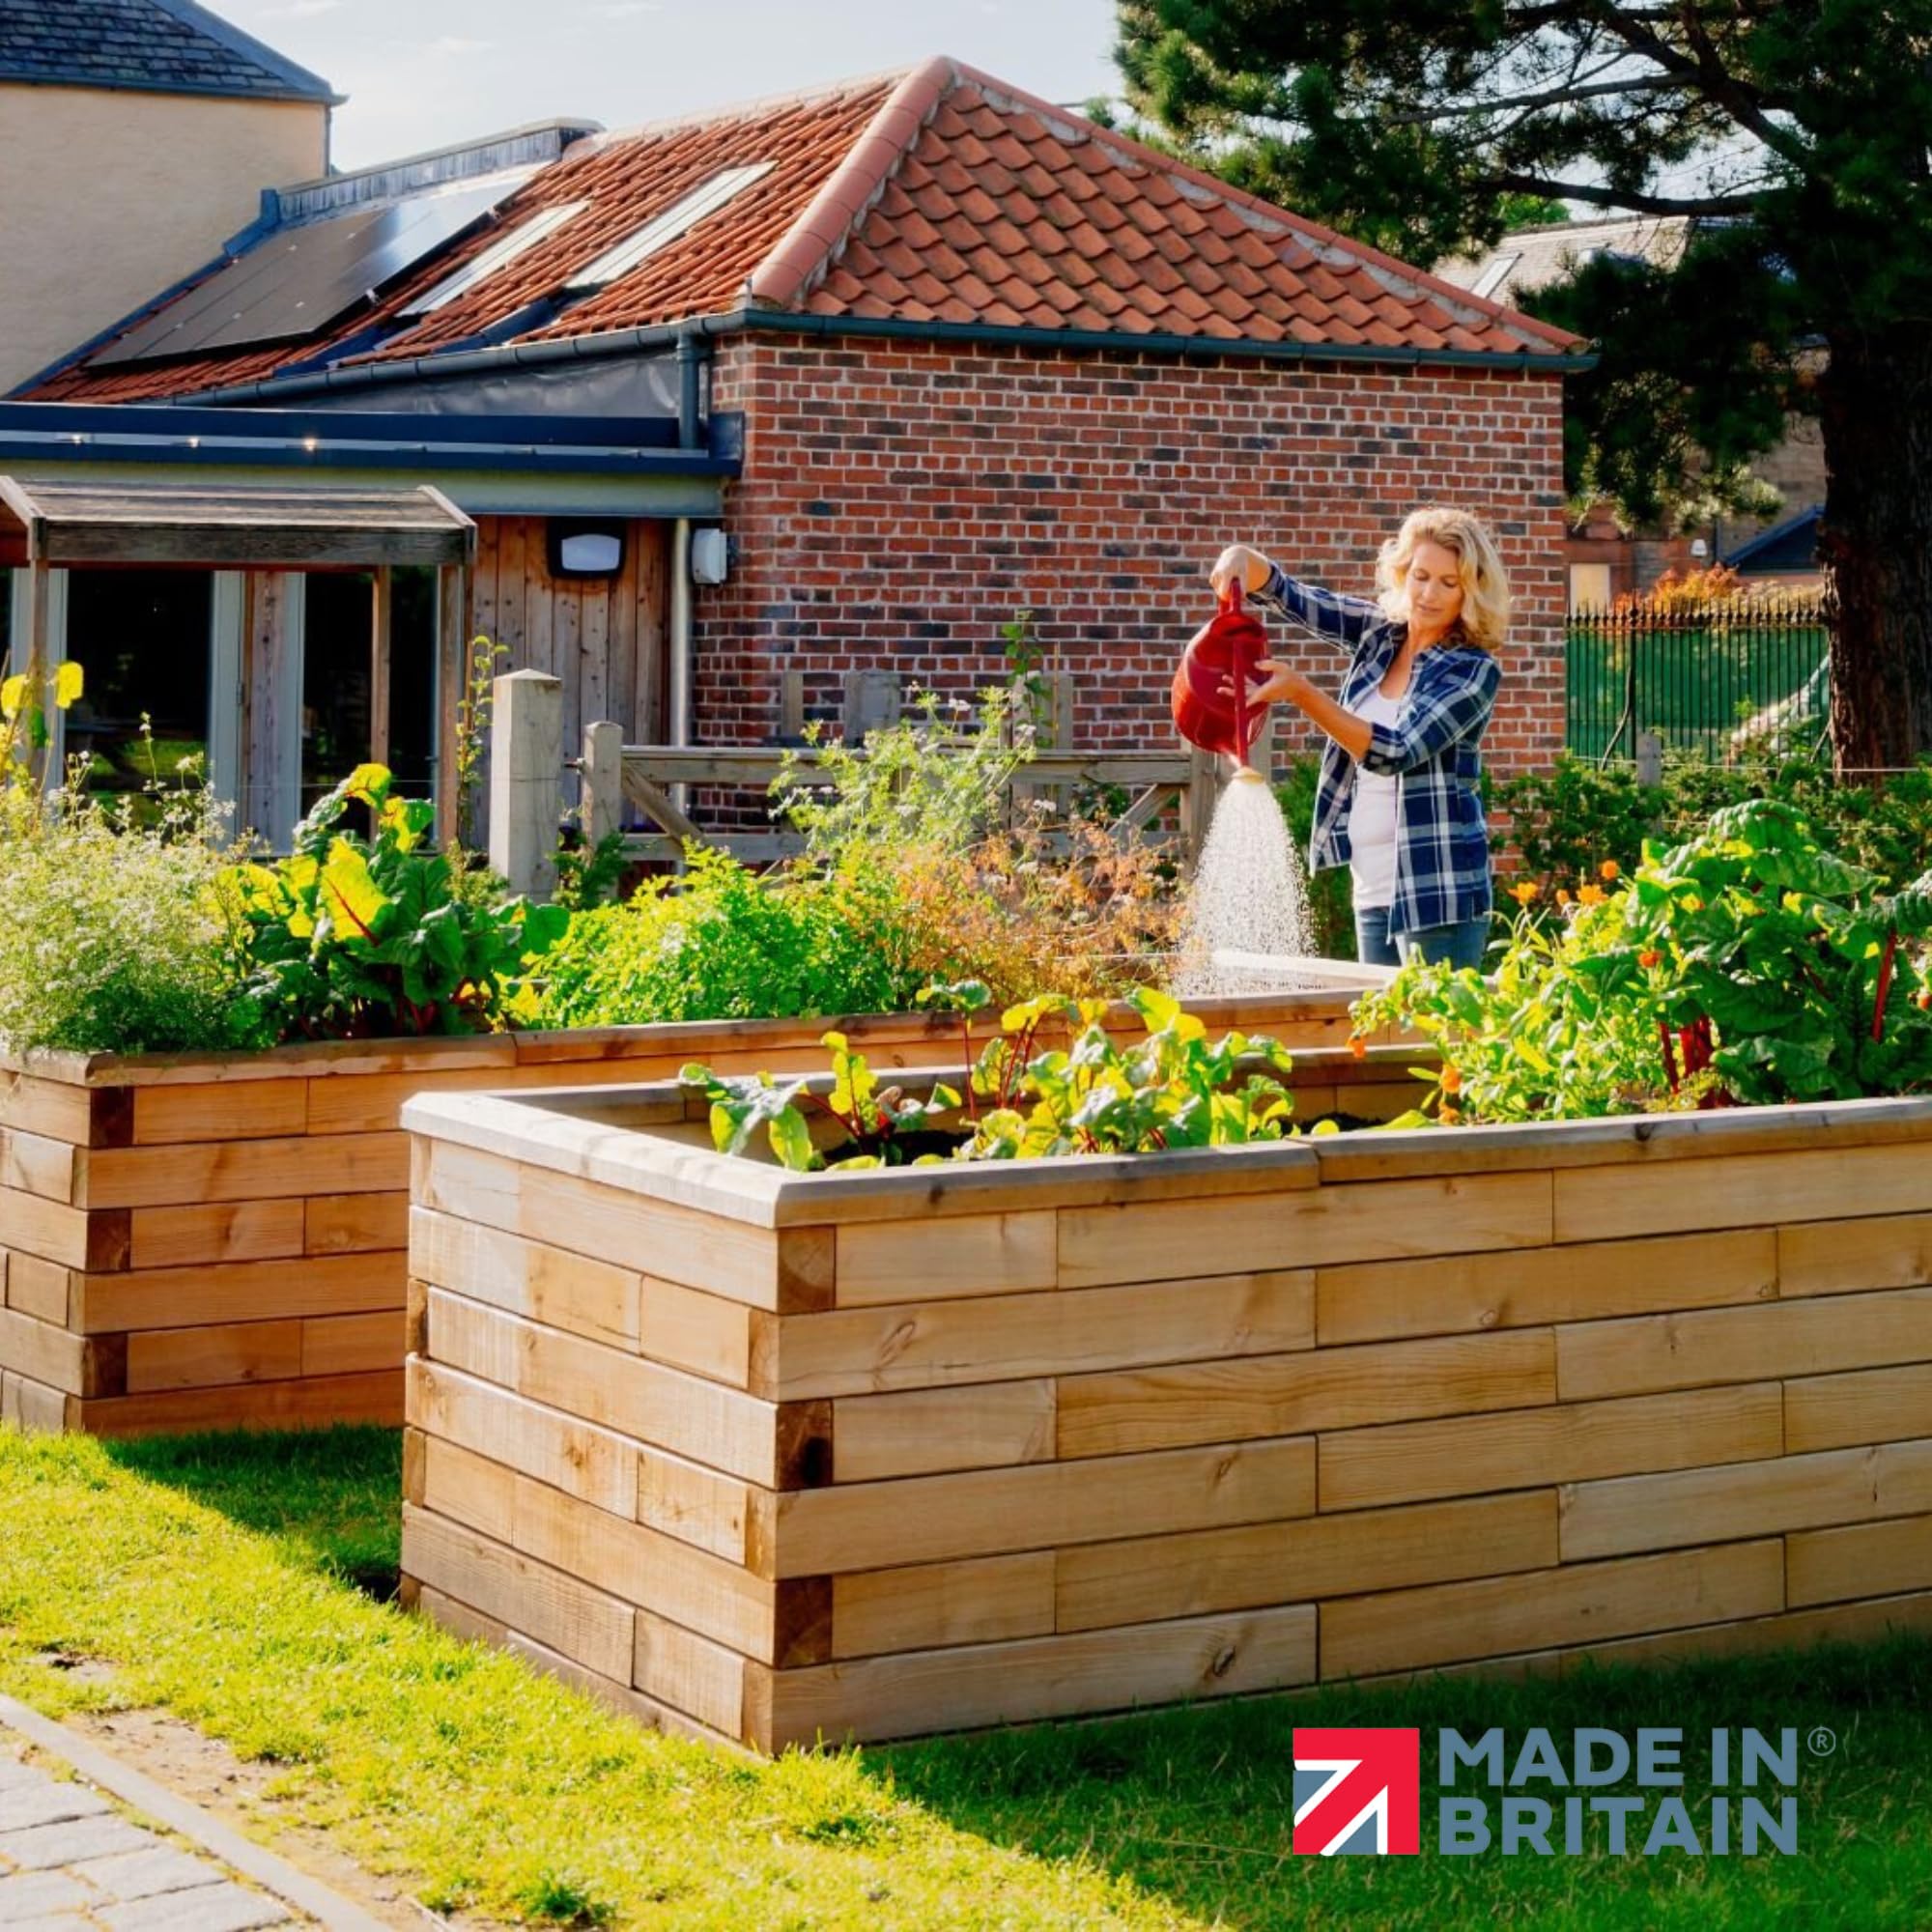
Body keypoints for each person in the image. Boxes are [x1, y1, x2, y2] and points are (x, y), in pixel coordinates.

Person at [1208, 507, 1508, 971]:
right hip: (1371, 887)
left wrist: (1301, 693)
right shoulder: (1380, 635)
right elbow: (1299, 599)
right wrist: (1244, 560)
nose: (1428, 594)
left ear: (1470, 592)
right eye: (1420, 575)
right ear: (1402, 573)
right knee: (1384, 1038)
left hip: (1438, 894)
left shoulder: (1472, 670)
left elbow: (1394, 750)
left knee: (1434, 1041)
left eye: (1448, 583)